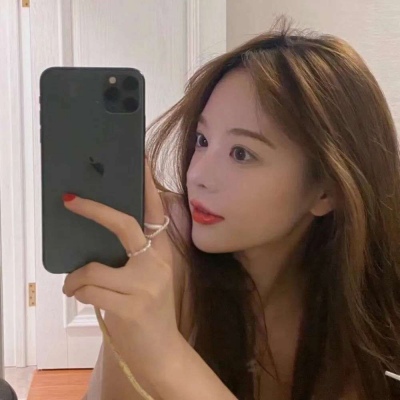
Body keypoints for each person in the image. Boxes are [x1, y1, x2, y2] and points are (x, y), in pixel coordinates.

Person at [63, 17, 400, 400]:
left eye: (241, 153)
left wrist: (167, 357)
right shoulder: (164, 248)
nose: (196, 176)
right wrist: (144, 341)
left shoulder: (366, 309)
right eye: (202, 139)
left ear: (326, 191)